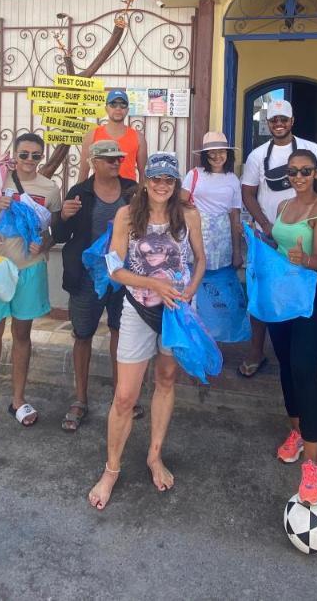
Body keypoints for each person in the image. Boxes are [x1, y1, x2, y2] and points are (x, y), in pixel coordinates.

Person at [88, 152, 205, 510]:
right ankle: (111, 469)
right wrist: (152, 285)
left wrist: (190, 291)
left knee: (166, 381)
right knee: (125, 396)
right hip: (138, 308)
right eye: (155, 178)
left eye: (168, 180)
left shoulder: (188, 216)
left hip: (176, 311)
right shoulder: (127, 216)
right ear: (145, 181)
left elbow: (199, 260)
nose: (161, 185)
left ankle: (155, 456)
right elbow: (114, 270)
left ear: (175, 184)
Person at [262, 148, 317, 504]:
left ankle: (313, 463)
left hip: (312, 302)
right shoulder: (281, 207)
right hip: (281, 299)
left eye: (305, 171)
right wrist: (264, 244)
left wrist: (304, 258)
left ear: (315, 174)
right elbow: (278, 245)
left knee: (305, 370)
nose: (298, 177)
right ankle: (296, 431)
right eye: (293, 171)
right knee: (287, 369)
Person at [0, 133, 62, 428]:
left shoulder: (50, 188)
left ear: (42, 157)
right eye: (24, 154)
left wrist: (44, 245)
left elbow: (53, 231)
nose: (29, 161)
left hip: (30, 269)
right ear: (15, 154)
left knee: (22, 335)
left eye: (36, 156)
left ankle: (18, 399)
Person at [239, 98, 317, 378]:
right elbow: (247, 192)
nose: (278, 124)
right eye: (273, 120)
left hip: (303, 233)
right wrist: (266, 224)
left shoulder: (311, 149)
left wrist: (316, 219)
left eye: (283, 120)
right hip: (270, 235)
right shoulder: (257, 155)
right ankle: (257, 350)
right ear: (268, 124)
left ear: (292, 121)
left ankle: (298, 349)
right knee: (261, 291)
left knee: (301, 288)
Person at [52, 139, 138, 432]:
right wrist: (63, 215)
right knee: (83, 335)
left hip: (122, 278)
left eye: (119, 159)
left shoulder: (132, 191)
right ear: (95, 163)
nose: (116, 163)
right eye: (110, 159)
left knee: (119, 332)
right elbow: (62, 235)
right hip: (87, 277)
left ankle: (121, 394)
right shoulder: (80, 193)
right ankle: (80, 399)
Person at [181, 131, 248, 339]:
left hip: (222, 239)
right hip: (196, 233)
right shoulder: (194, 175)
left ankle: (216, 332)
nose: (218, 157)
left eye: (222, 152)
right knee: (194, 279)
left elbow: (234, 215)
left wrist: (238, 252)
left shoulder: (232, 179)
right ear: (205, 156)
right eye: (212, 153)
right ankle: (195, 330)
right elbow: (180, 204)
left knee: (217, 285)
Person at [79, 89, 147, 183]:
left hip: (128, 193)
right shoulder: (92, 135)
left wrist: (141, 196)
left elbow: (143, 175)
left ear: (127, 110)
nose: (118, 108)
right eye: (113, 104)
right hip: (99, 193)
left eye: (123, 104)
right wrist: (77, 195)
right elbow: (83, 172)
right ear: (106, 108)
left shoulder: (139, 138)